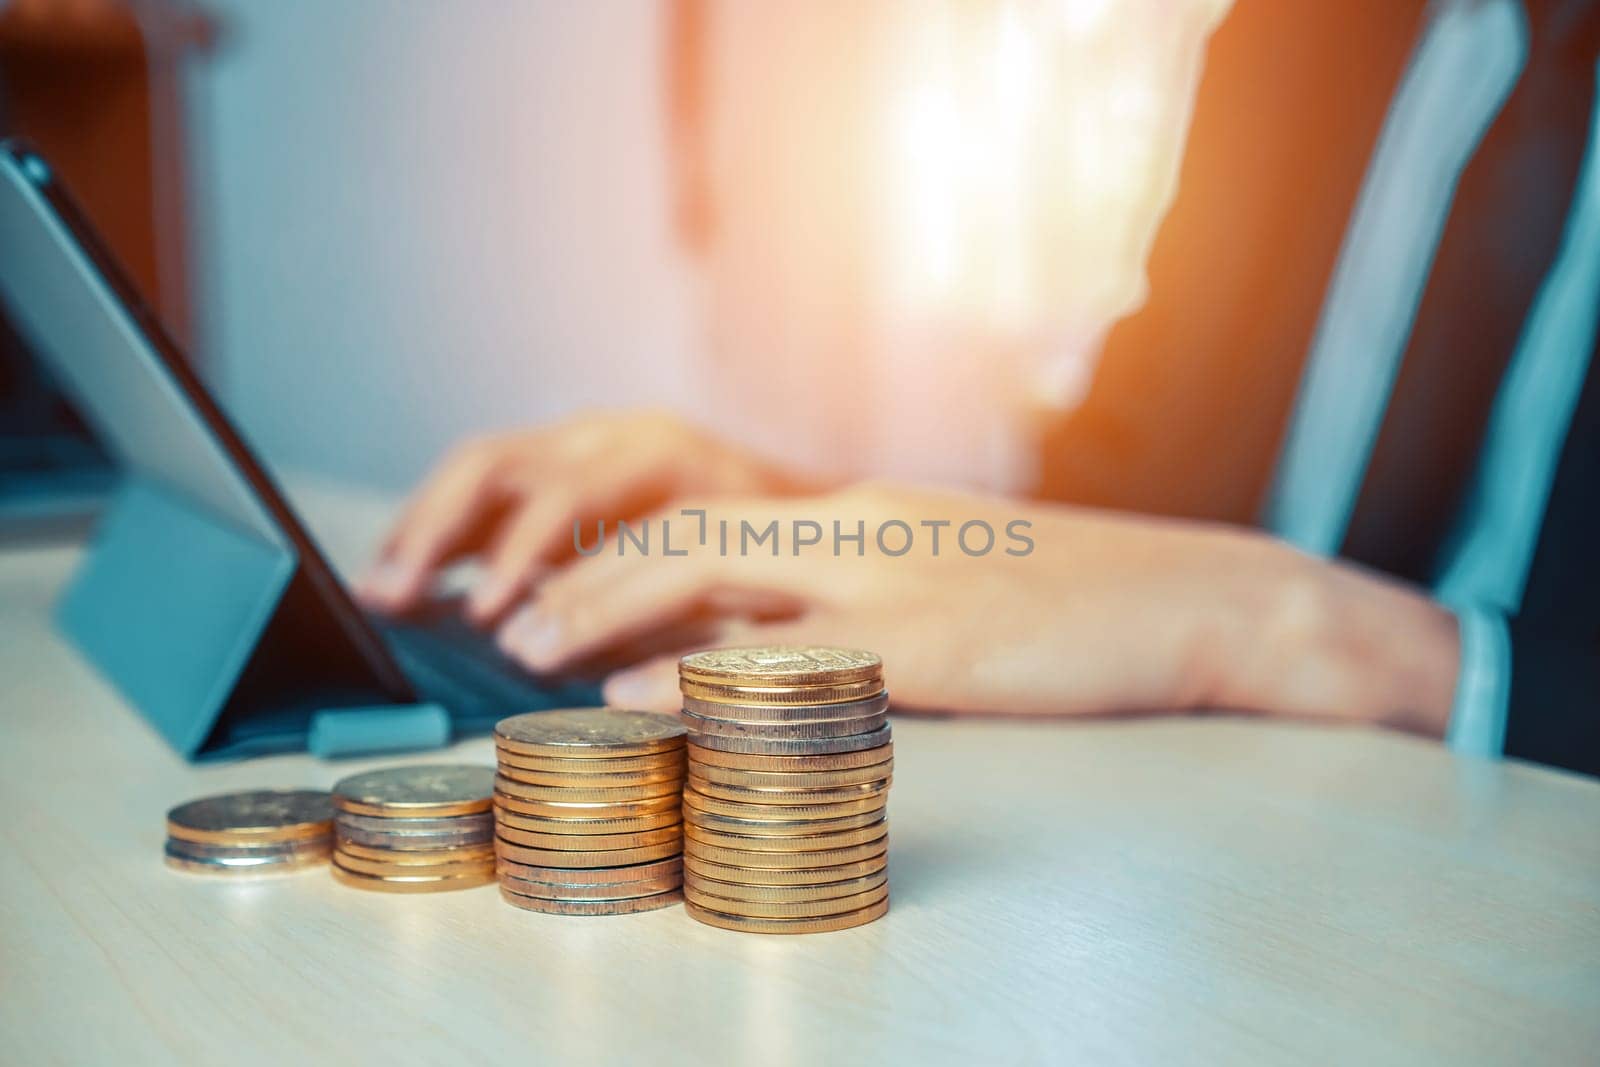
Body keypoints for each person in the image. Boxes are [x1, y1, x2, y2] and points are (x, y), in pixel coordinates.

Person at [359, 0, 1600, 778]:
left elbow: (1206, 599)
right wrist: (804, 503)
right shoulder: (1293, 34)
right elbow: (1110, 522)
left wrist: (1306, 629)